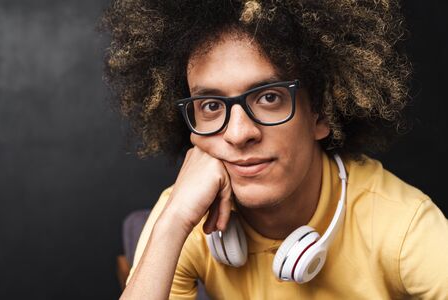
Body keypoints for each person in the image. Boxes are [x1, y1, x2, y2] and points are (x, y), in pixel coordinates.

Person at [100, 0, 448, 298]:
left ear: (320, 113)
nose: (238, 134)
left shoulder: (401, 225)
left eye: (269, 98)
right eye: (210, 105)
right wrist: (172, 223)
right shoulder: (184, 217)